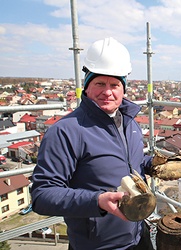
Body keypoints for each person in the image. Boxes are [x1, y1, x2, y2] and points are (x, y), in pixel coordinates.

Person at [31, 37, 154, 250]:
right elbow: (42, 194)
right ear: (86, 87)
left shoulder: (129, 123)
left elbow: (131, 164)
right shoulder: (66, 131)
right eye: (99, 83)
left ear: (123, 88)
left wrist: (155, 165)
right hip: (97, 244)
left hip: (137, 235)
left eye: (115, 84)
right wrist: (96, 201)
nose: (107, 91)